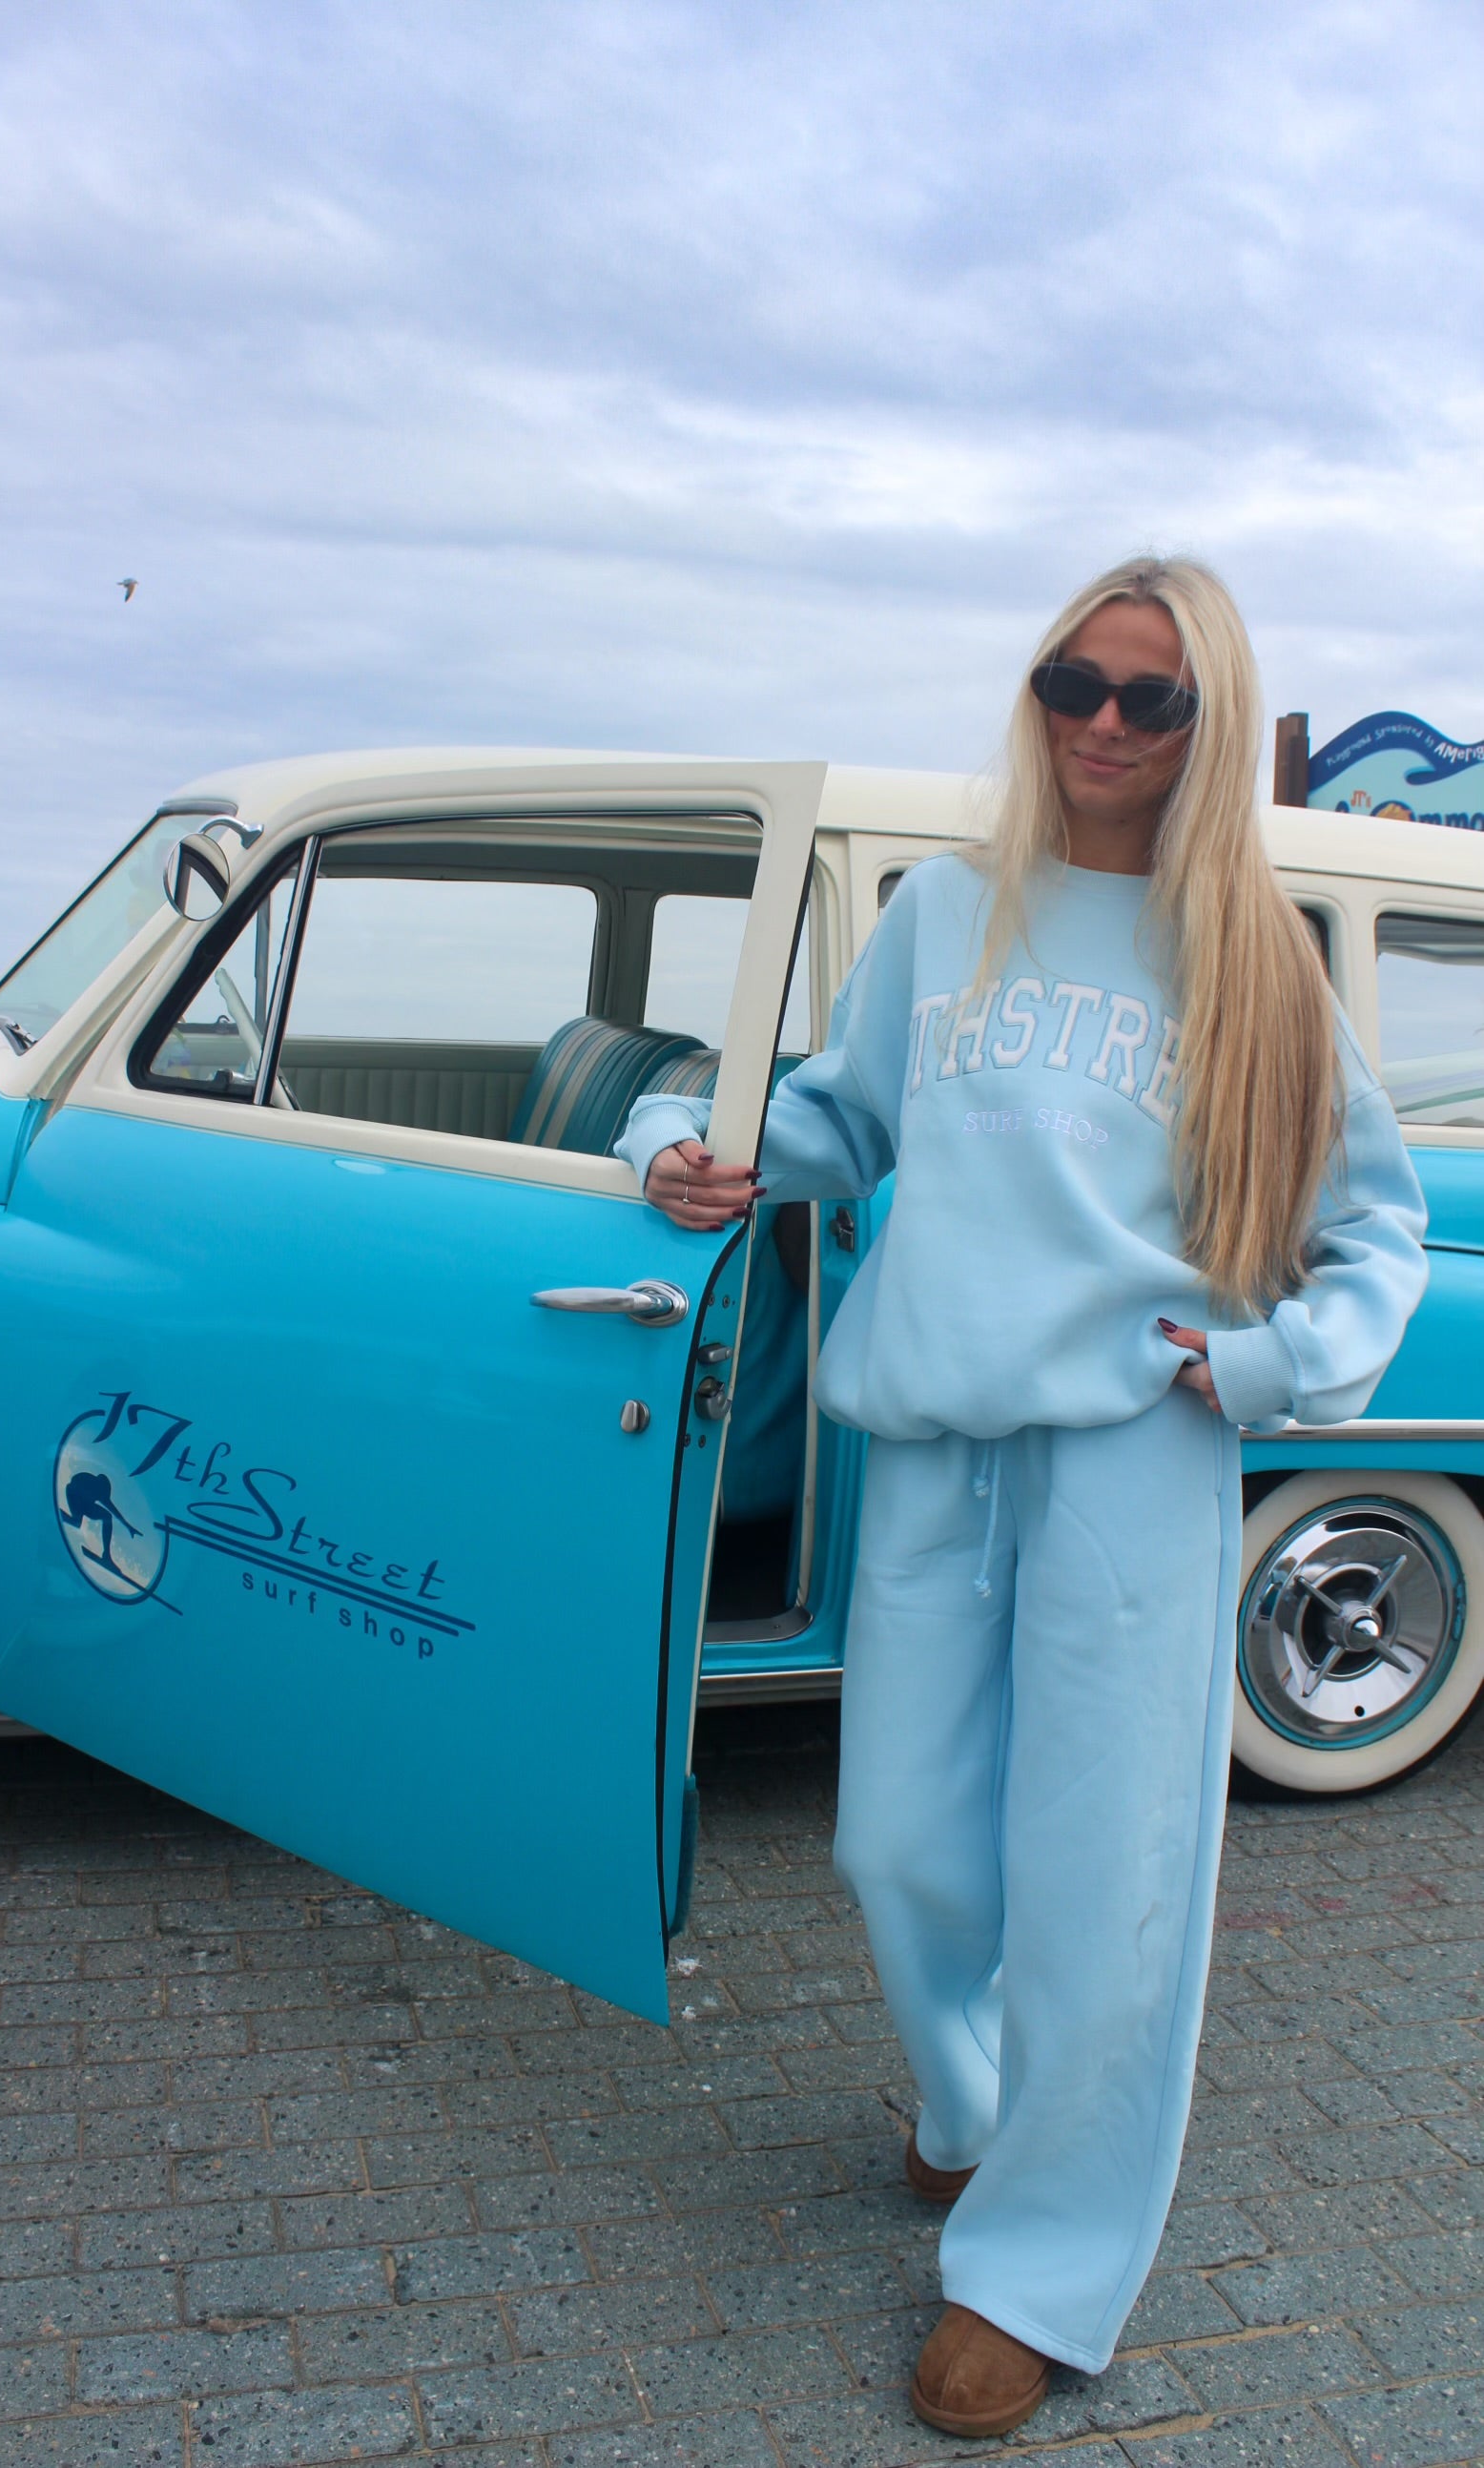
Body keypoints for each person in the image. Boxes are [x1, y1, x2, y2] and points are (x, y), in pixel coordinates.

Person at [616, 555, 1428, 2439]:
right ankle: (976, 2101)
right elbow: (841, 1117)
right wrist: (687, 1137)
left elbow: (1374, 1229)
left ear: (1208, 727)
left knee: (1105, 1879)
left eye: (1153, 698)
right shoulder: (944, 911)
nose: (1103, 723)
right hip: (932, 1446)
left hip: (1134, 1454)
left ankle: (1042, 2269)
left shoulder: (1256, 963)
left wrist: (1269, 1365)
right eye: (1076, 680)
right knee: (895, 1844)